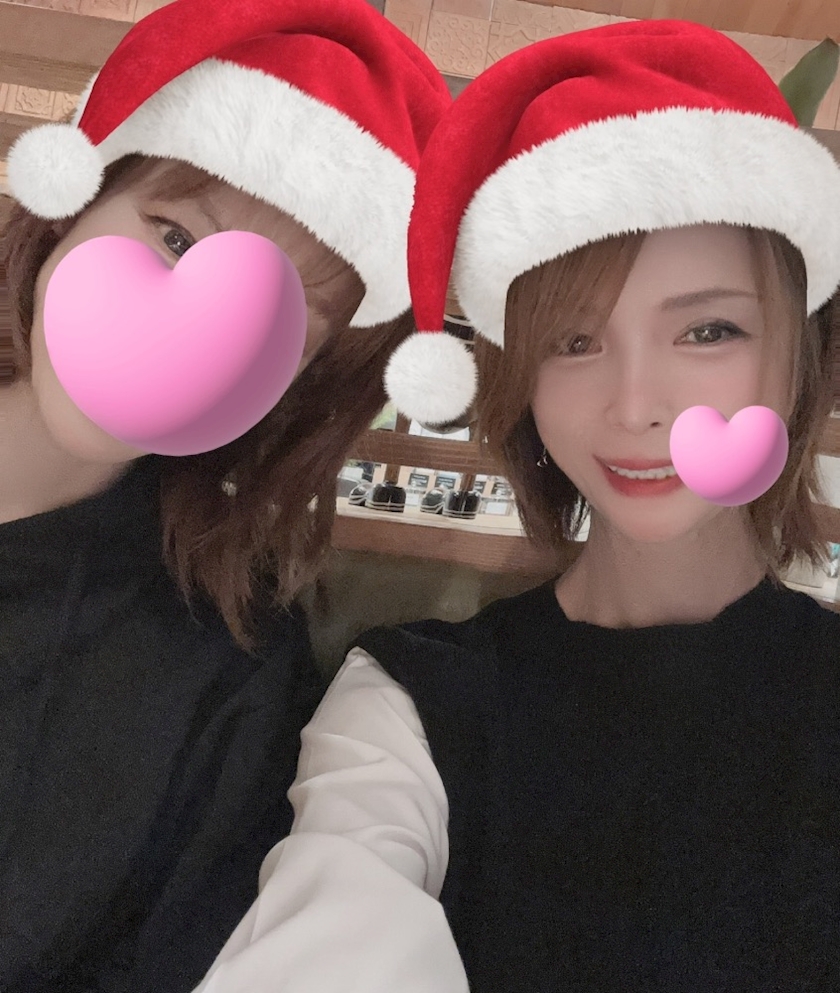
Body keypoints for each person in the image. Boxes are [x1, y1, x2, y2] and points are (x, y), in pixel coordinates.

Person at [193, 20, 840, 993]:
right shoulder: (413, 702)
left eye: (707, 329)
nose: (636, 404)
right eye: (574, 342)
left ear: (797, 358)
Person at [0, 0, 450, 989]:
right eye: (173, 235)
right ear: (74, 198)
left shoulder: (223, 664)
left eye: (282, 315)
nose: (194, 328)